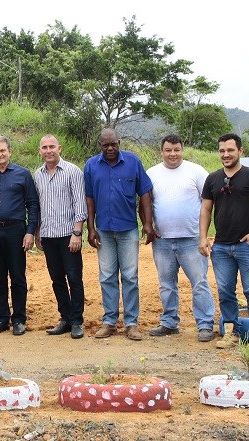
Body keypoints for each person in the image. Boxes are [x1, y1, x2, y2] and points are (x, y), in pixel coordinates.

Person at [200, 133, 249, 351]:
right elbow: (206, 208)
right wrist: (203, 237)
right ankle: (230, 333)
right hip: (221, 246)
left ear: (240, 151)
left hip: (246, 245)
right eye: (222, 150)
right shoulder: (212, 179)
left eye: (230, 150)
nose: (226, 154)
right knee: (225, 291)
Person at [84, 128, 155, 341]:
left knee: (130, 276)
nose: (110, 148)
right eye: (105, 145)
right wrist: (91, 227)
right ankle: (110, 321)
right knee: (107, 276)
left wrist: (148, 224)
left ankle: (132, 323)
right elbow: (89, 199)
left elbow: (144, 193)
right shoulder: (91, 166)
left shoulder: (133, 162)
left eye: (113, 144)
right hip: (104, 230)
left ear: (119, 142)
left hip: (128, 229)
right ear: (100, 146)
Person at [146, 135, 216, 342]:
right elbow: (146, 203)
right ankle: (169, 322)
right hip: (163, 240)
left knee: (199, 282)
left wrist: (204, 234)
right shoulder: (152, 173)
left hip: (192, 238)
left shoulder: (196, 171)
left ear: (182, 150)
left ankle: (205, 325)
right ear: (162, 151)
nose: (172, 154)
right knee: (166, 284)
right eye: (168, 150)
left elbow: (208, 202)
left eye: (176, 149)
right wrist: (149, 227)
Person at [0, 135, 40, 336]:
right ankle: (2, 318)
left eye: (2, 150)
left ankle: (19, 319)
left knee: (17, 276)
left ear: (10, 151)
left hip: (16, 231)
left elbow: (32, 204)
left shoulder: (23, 174)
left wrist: (30, 231)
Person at [33, 134, 87, 339]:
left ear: (60, 148)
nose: (48, 151)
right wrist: (38, 232)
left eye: (52, 147)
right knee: (57, 279)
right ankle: (65, 318)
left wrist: (77, 233)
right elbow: (37, 207)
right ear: (40, 151)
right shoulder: (37, 175)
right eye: (44, 147)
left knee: (74, 277)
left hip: (68, 235)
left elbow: (80, 205)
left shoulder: (73, 171)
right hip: (48, 235)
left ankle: (77, 321)